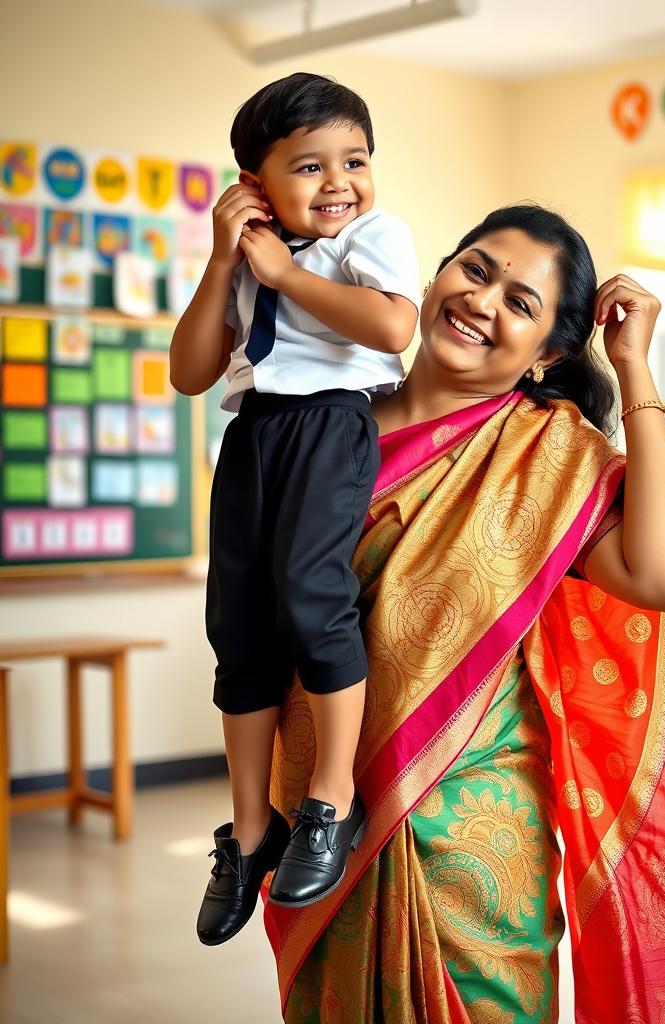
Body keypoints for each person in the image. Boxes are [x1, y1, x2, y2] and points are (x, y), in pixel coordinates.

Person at [262, 204, 665, 1022]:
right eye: (476, 270)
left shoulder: (549, 456)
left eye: (520, 302)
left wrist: (636, 371)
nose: (483, 301)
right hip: (318, 820)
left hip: (471, 837)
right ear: (436, 275)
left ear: (547, 355)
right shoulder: (326, 421)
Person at [169, 72, 420, 945]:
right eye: (309, 167)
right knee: (236, 626)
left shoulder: (371, 234)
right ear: (255, 184)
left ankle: (331, 798)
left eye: (354, 159)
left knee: (313, 601)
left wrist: (284, 271)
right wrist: (225, 263)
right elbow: (191, 372)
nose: (339, 181)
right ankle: (250, 831)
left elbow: (393, 330)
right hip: (254, 435)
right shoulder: (246, 253)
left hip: (328, 425)